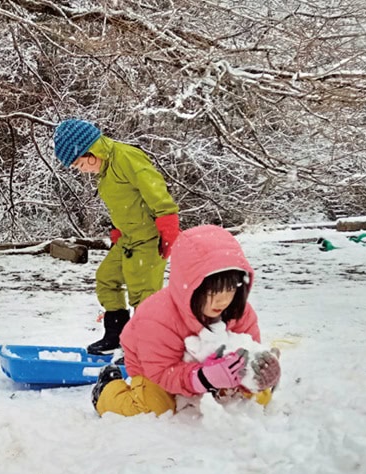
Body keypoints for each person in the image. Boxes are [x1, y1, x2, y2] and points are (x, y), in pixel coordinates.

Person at [90, 225, 281, 416]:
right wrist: (203, 378)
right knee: (156, 407)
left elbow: (249, 348)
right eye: (212, 292)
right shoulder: (157, 317)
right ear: (191, 286)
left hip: (216, 369)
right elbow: (162, 372)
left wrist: (258, 372)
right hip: (156, 368)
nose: (223, 300)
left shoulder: (240, 312)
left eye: (230, 290)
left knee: (258, 398)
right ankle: (107, 389)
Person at [53, 119, 181, 355]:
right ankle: (117, 334)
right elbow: (124, 202)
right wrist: (117, 229)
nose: (81, 171)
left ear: (90, 153)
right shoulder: (105, 170)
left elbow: (153, 188)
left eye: (79, 164)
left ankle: (145, 350)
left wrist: (168, 222)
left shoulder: (126, 158)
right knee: (106, 278)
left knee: (143, 294)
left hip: (148, 238)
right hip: (128, 239)